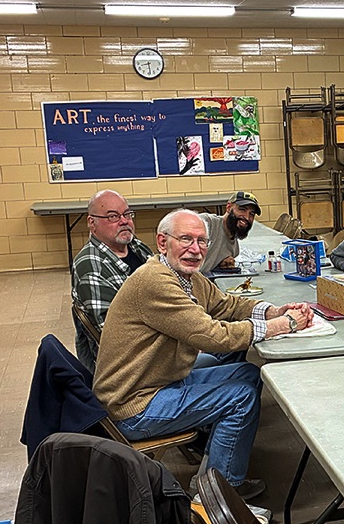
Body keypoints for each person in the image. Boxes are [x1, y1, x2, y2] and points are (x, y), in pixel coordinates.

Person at [94, 209, 313, 500]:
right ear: (162, 242)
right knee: (241, 398)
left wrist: (273, 310)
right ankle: (220, 495)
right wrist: (283, 325)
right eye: (186, 239)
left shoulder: (185, 276)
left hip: (159, 380)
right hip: (134, 404)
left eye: (202, 241)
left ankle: (214, 464)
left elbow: (226, 305)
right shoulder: (155, 282)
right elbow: (212, 336)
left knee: (247, 373)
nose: (195, 249)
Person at [70, 189, 154, 371]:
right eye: (113, 217)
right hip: (133, 367)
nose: (124, 221)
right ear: (92, 223)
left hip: (158, 342)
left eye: (127, 214)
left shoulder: (136, 246)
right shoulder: (90, 268)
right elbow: (117, 336)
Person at [197, 190, 261, 273]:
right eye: (242, 210)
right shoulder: (207, 223)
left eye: (251, 214)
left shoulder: (234, 250)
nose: (247, 217)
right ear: (228, 207)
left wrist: (220, 264)